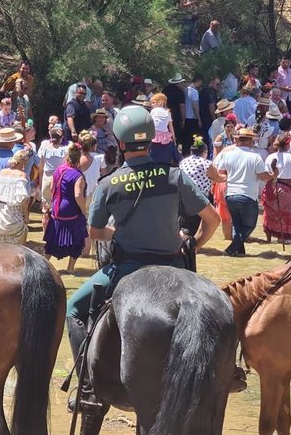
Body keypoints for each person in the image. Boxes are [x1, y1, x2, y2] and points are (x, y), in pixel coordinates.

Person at [65, 105, 220, 409]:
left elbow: (94, 232)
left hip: (126, 267)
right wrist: (194, 245)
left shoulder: (110, 183)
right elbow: (212, 219)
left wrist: (115, 233)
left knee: (73, 310)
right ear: (152, 140)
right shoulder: (174, 176)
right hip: (174, 264)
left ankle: (86, 387)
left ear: (121, 144)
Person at [212, 128, 276, 256]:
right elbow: (263, 176)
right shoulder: (255, 157)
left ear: (237, 140)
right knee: (249, 226)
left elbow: (221, 174)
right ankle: (231, 249)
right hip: (248, 196)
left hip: (230, 195)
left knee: (237, 225)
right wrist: (273, 175)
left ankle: (239, 252)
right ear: (251, 142)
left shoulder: (227, 155)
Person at [43, 143, 88, 274]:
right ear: (78, 159)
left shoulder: (58, 169)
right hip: (71, 210)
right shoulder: (78, 175)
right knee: (77, 240)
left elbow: (52, 188)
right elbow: (78, 195)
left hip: (57, 208)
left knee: (52, 240)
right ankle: (70, 268)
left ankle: (45, 264)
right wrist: (84, 211)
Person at [179, 135, 215, 234]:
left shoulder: (183, 162)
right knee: (195, 223)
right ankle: (191, 246)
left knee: (183, 222)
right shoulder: (206, 163)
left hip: (182, 196)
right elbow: (217, 177)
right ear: (204, 152)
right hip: (199, 198)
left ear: (191, 152)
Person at [0, 149, 31, 244]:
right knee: (19, 248)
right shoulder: (22, 175)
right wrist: (26, 217)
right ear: (23, 163)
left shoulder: (1, 172)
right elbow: (22, 200)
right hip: (13, 213)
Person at [149, 93, 181, 164]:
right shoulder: (167, 112)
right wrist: (174, 139)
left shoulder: (154, 111)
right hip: (164, 134)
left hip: (154, 133)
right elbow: (171, 127)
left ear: (160, 102)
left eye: (153, 103)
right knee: (169, 149)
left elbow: (150, 123)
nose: (152, 105)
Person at [182, 74, 203, 155]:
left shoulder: (185, 90)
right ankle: (194, 154)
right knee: (193, 138)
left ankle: (185, 155)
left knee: (185, 139)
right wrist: (199, 119)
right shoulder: (195, 92)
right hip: (192, 117)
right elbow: (195, 106)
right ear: (198, 81)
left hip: (186, 117)